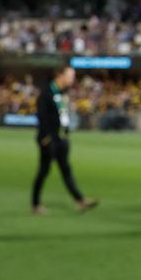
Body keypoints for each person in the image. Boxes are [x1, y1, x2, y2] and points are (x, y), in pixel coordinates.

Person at [31, 65, 98, 214]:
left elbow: (63, 115)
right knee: (43, 171)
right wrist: (46, 138)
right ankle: (35, 204)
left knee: (66, 170)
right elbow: (42, 117)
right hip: (50, 140)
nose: (72, 79)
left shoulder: (63, 93)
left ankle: (80, 200)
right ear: (60, 75)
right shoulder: (47, 93)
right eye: (70, 75)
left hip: (62, 138)